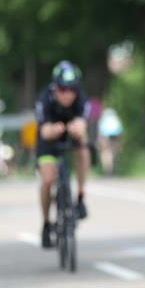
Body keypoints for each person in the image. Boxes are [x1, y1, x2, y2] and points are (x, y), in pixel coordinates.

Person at [36, 61, 90, 248]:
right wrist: (54, 129)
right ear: (55, 87)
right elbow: (43, 131)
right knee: (48, 179)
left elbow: (84, 122)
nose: (67, 94)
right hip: (49, 138)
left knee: (83, 147)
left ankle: (81, 196)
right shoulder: (45, 98)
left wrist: (78, 127)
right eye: (62, 89)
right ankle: (45, 223)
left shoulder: (81, 98)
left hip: (71, 134)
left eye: (72, 89)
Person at [97, 106, 124, 175]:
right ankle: (112, 167)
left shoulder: (103, 119)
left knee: (106, 152)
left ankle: (108, 168)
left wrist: (100, 140)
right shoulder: (116, 118)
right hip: (115, 135)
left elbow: (100, 131)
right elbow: (120, 131)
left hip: (105, 134)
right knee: (113, 152)